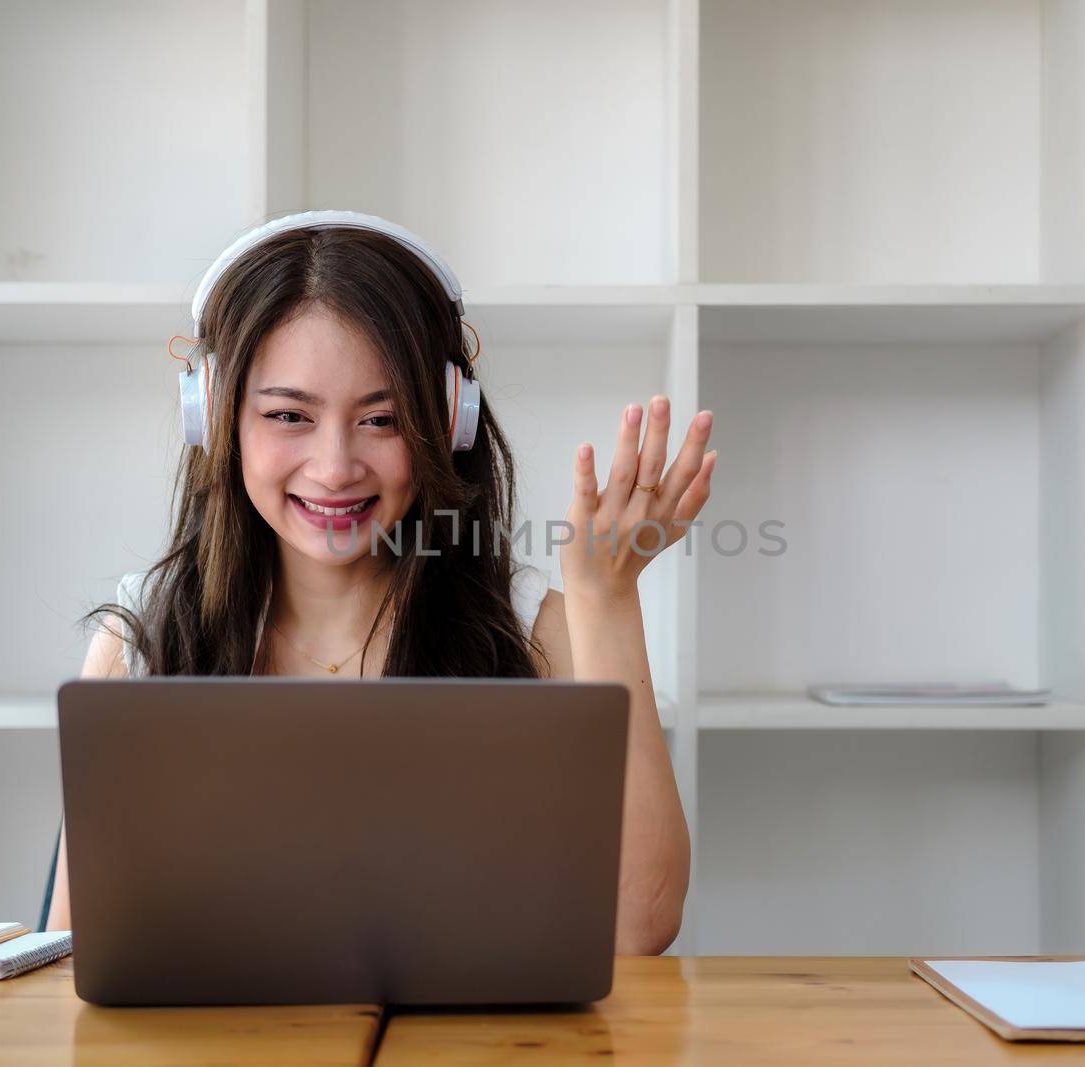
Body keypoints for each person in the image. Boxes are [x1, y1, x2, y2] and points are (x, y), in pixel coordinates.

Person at [43, 213, 716, 955]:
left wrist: (605, 596)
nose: (335, 467)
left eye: (382, 418)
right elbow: (76, 948)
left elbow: (640, 925)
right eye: (288, 414)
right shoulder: (147, 632)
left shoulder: (533, 630)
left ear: (449, 421)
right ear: (214, 415)